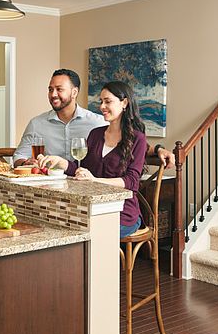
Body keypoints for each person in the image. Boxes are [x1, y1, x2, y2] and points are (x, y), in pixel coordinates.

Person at [39, 81, 146, 237]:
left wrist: (94, 180)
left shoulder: (138, 139)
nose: (102, 106)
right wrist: (61, 162)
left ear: (124, 103)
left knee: (89, 233)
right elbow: (82, 169)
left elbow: (131, 182)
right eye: (101, 101)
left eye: (108, 101)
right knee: (59, 223)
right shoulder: (95, 134)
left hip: (122, 213)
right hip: (93, 208)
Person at [13, 69, 174, 168]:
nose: (53, 94)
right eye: (50, 89)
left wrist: (159, 149)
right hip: (49, 188)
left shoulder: (98, 122)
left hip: (85, 186)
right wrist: (27, 162)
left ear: (74, 92)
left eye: (59, 89)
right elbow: (19, 157)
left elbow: (131, 141)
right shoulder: (36, 124)